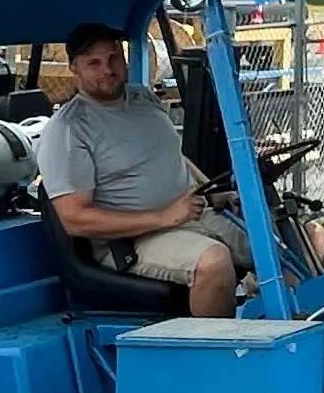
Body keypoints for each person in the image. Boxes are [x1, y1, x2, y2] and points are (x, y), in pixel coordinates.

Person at [34, 21, 251, 319]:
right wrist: (164, 216)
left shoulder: (142, 99)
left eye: (113, 59)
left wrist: (213, 191)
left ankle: (304, 339)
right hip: (133, 241)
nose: (107, 70)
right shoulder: (70, 129)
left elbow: (172, 156)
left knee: (291, 243)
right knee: (213, 262)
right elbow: (75, 219)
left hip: (193, 214)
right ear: (75, 69)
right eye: (94, 63)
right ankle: (217, 361)